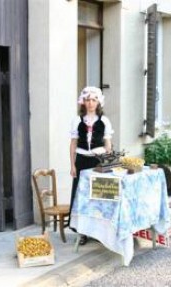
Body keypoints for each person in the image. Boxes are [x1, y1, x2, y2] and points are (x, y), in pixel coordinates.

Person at [69, 86, 114, 245]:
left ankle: (99, 231)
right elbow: (73, 144)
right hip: (81, 161)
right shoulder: (77, 120)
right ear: (83, 102)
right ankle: (81, 232)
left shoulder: (104, 121)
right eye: (88, 100)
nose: (90, 103)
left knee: (98, 195)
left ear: (98, 102)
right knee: (80, 197)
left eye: (94, 100)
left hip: (98, 161)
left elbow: (108, 144)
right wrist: (72, 165)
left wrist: (109, 162)